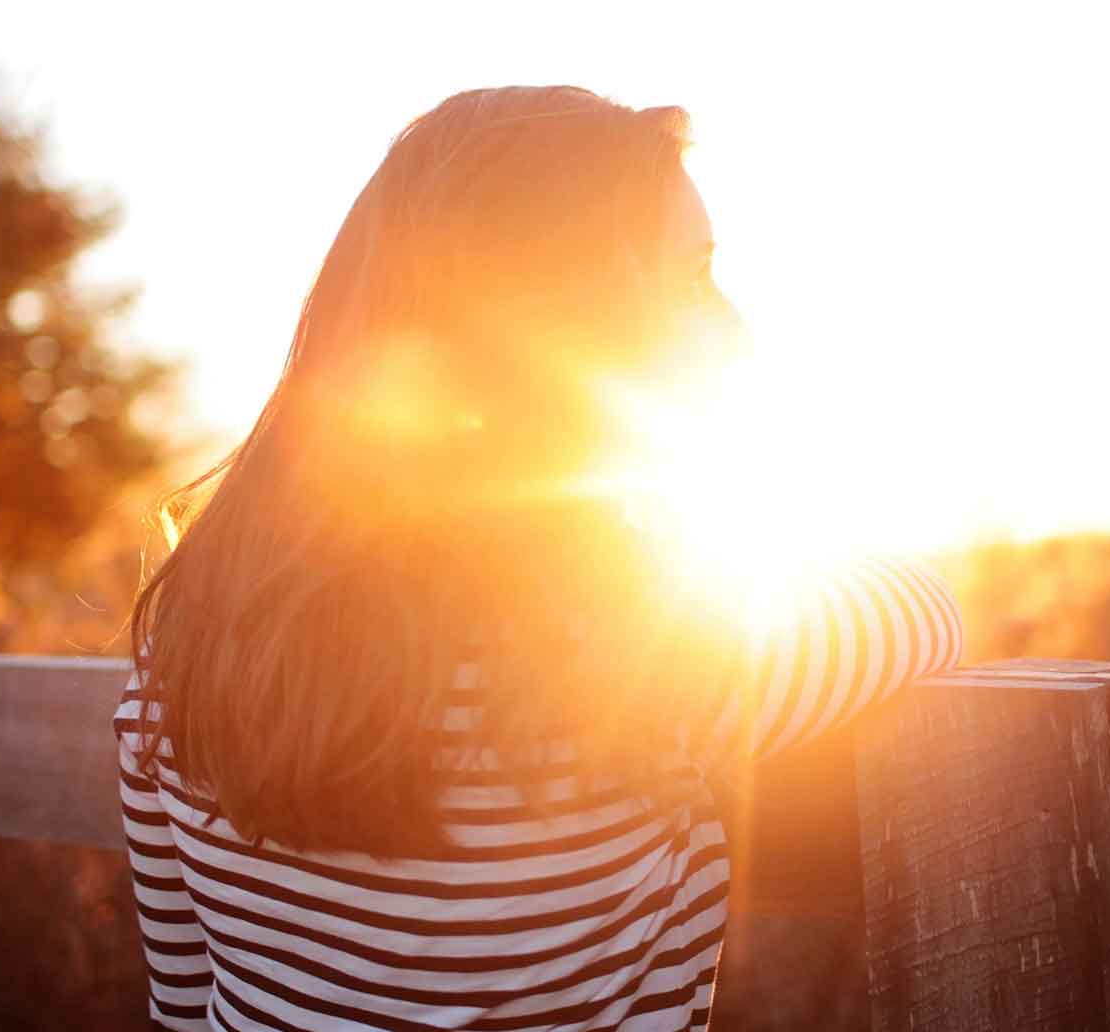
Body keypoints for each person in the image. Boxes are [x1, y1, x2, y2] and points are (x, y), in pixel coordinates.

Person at [116, 85, 963, 1032]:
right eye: (692, 277)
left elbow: (185, 1005)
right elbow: (924, 609)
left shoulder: (183, 644)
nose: (734, 324)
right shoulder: (635, 654)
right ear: (564, 320)